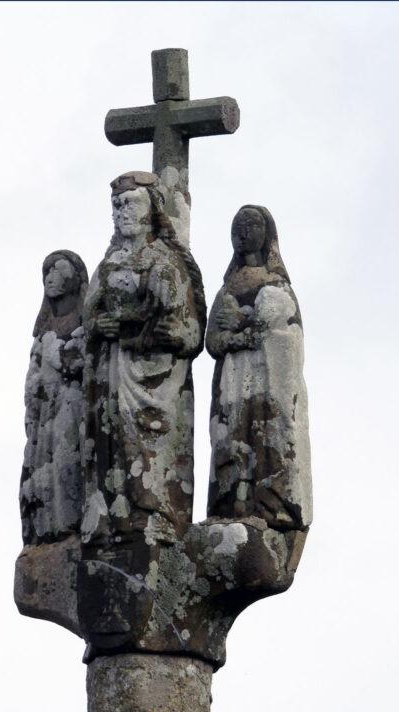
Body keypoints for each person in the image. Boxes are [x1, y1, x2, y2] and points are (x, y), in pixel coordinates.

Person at [81, 171, 206, 547]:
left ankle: (153, 513)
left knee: (147, 443)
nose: (122, 212)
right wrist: (99, 324)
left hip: (152, 376)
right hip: (111, 371)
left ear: (151, 210)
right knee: (110, 439)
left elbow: (188, 332)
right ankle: (112, 512)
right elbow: (90, 315)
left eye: (130, 203)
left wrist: (140, 329)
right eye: (116, 205)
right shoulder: (108, 262)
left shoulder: (165, 261)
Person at [206, 205, 312, 530]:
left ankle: (268, 507)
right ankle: (230, 507)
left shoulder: (278, 285)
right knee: (230, 440)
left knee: (266, 437)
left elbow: (290, 335)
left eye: (251, 224)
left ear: (266, 234)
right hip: (232, 380)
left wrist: (247, 325)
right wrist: (232, 338)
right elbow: (212, 340)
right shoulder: (227, 289)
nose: (242, 231)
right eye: (237, 225)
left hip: (267, 380)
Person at [19, 249, 88, 543]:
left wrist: (56, 353)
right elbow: (32, 378)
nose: (51, 278)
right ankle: (44, 529)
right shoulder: (42, 333)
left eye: (59, 270)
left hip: (70, 407)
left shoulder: (84, 324)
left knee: (67, 465)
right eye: (47, 272)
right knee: (37, 475)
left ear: (76, 279)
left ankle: (69, 525)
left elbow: (81, 362)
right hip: (43, 415)